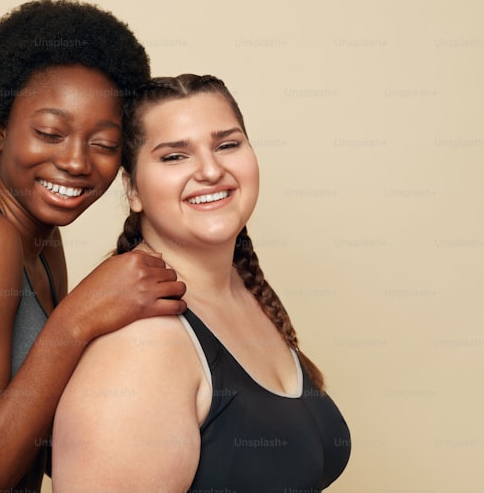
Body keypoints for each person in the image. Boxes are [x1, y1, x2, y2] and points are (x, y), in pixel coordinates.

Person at [0, 0, 187, 493]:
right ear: (0, 127)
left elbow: (32, 430)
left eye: (104, 143)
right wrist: (80, 316)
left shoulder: (43, 239)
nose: (75, 162)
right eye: (50, 132)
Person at [52, 74, 351, 492]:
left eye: (227, 145)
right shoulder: (143, 345)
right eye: (175, 156)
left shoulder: (240, 287)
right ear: (132, 189)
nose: (211, 170)